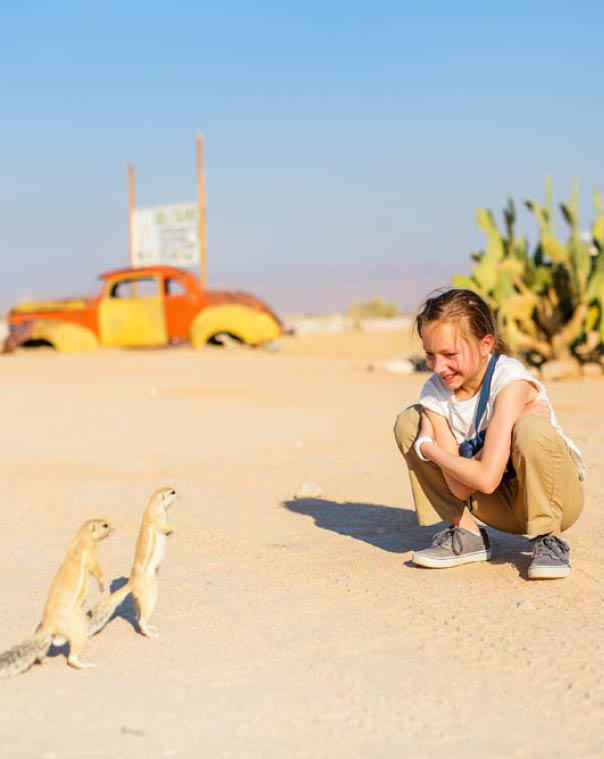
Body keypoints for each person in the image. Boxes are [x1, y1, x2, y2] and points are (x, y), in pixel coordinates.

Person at [394, 288, 584, 579]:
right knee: (409, 421)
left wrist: (430, 447)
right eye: (430, 355)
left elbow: (486, 477)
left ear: (486, 345)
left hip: (556, 500)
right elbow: (459, 489)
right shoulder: (434, 391)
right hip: (493, 501)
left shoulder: (509, 378)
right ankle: (466, 533)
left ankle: (550, 538)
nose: (438, 367)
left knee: (530, 428)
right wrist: (426, 444)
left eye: (450, 354)